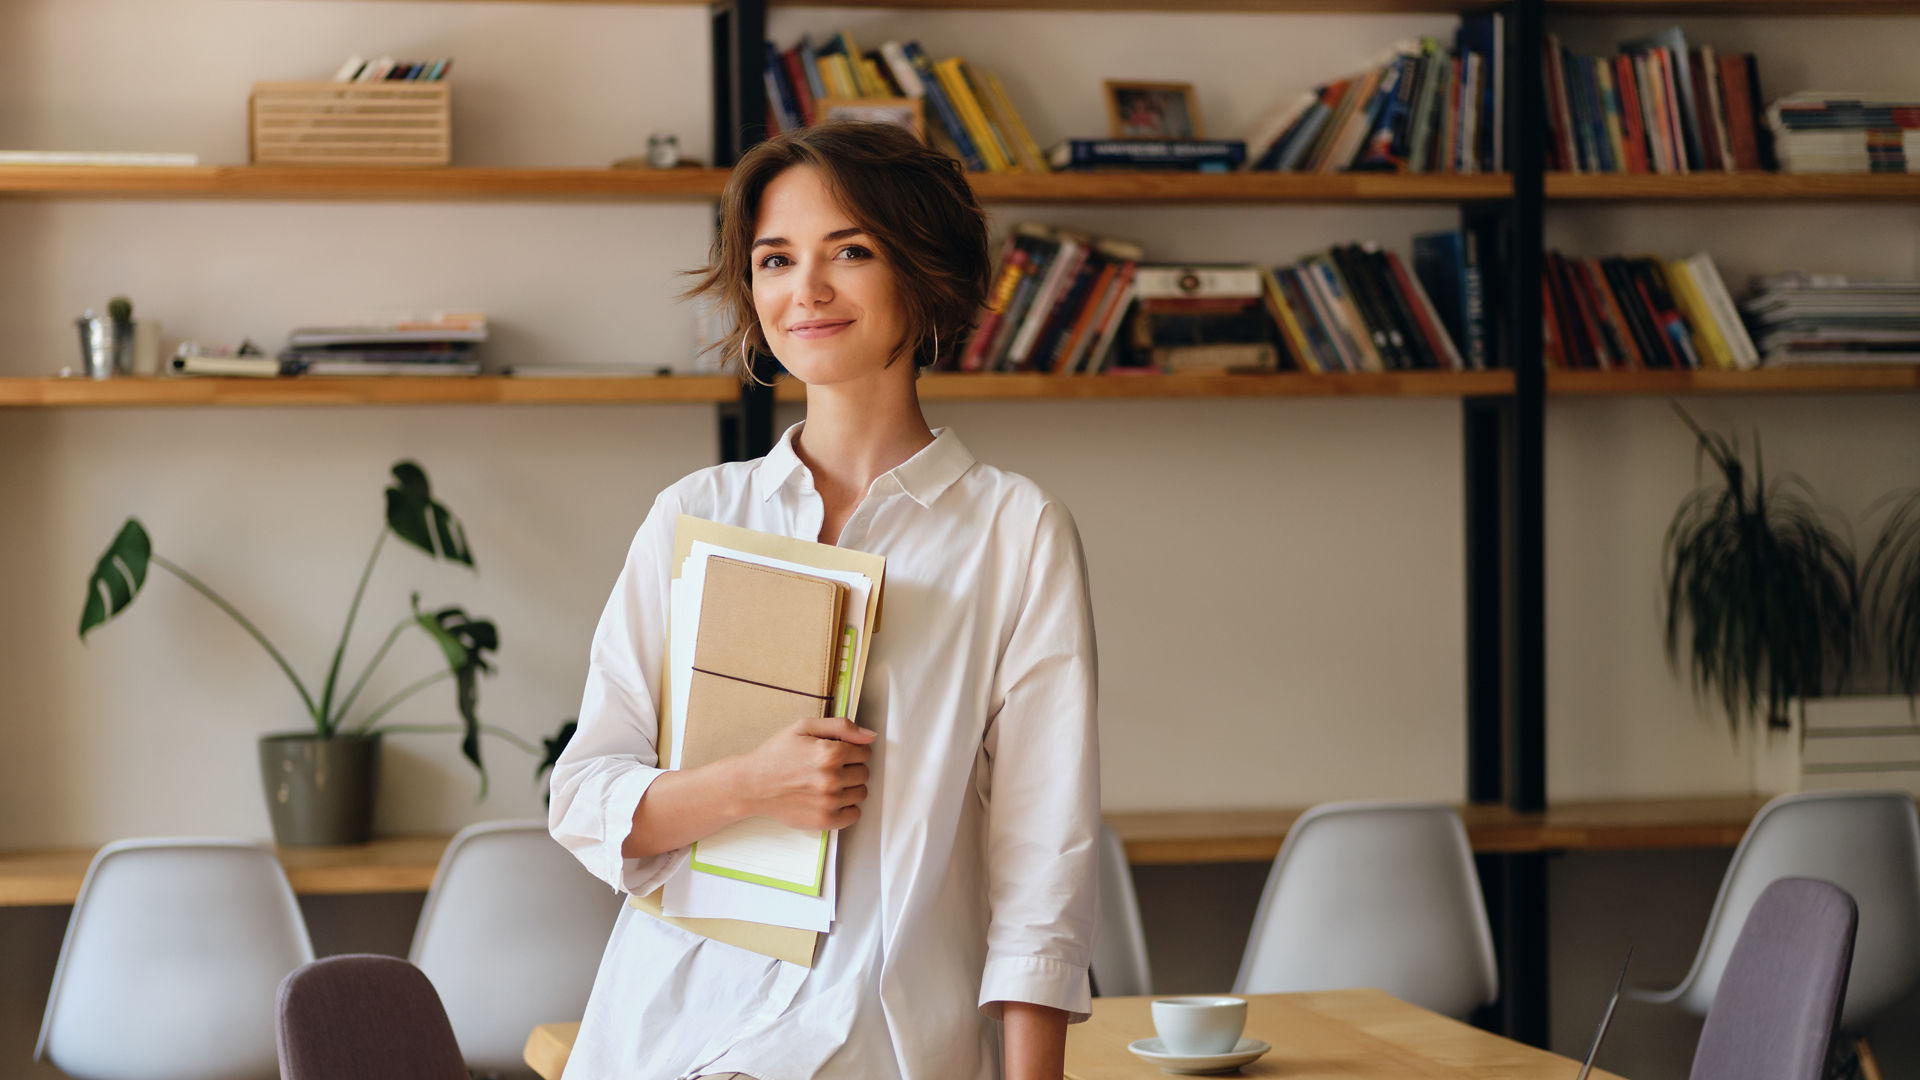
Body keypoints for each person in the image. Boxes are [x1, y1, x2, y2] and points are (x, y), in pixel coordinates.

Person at [548, 121, 1102, 1080]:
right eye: (775, 259)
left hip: (882, 1047)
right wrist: (751, 786)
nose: (804, 289)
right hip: (671, 1035)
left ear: (922, 273)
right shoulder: (695, 515)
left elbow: (1041, 862)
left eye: (850, 251)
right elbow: (586, 797)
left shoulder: (1015, 532)